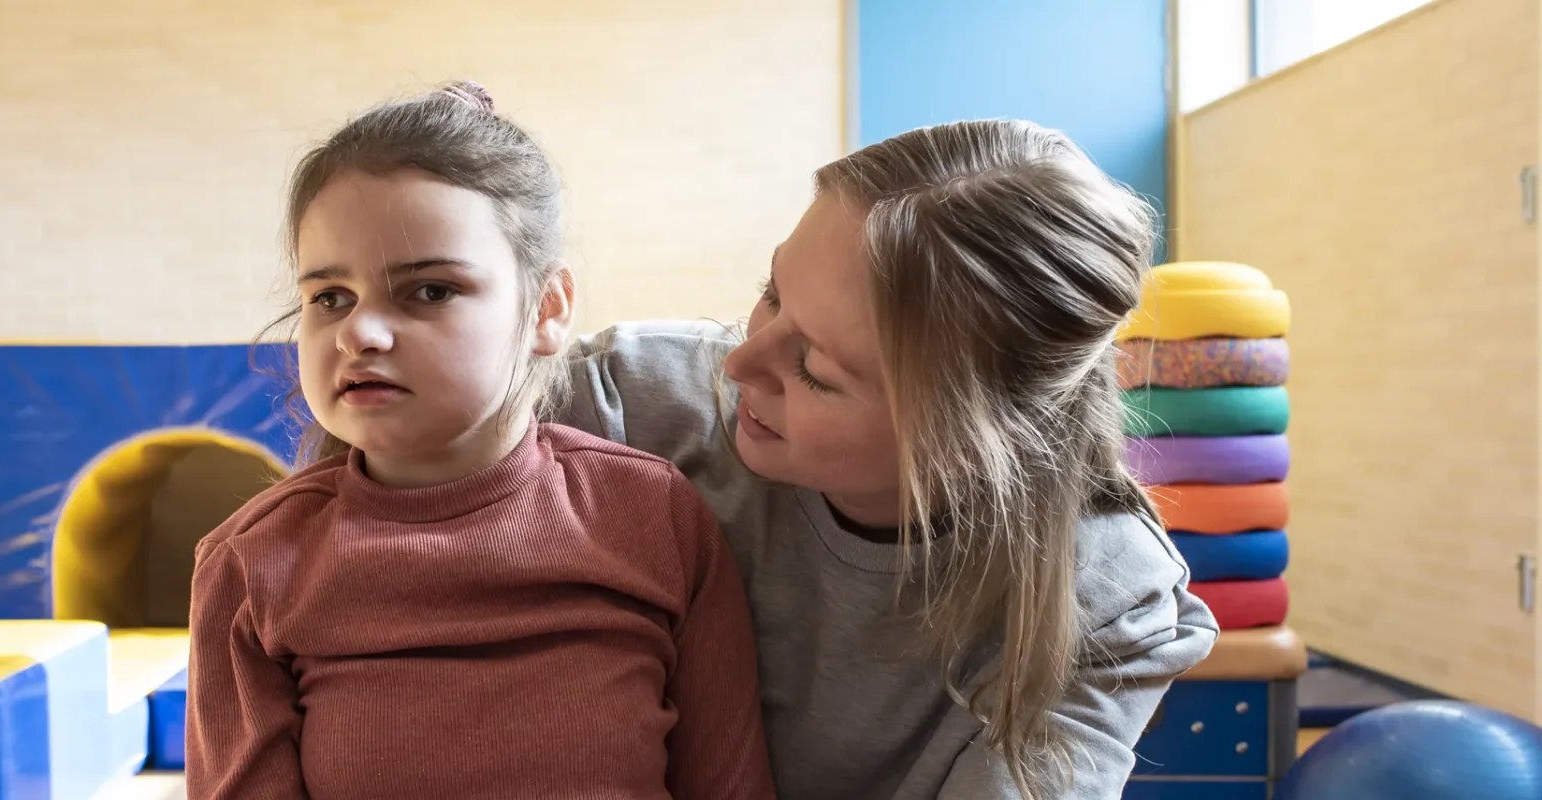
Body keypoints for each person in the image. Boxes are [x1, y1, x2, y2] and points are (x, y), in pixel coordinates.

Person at [556, 119, 1220, 799]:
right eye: (772, 292)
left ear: (972, 442)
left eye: (814, 371)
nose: (740, 363)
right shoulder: (625, 400)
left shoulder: (1105, 603)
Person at [184, 81, 776, 800]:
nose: (359, 332)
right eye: (330, 297)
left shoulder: (654, 515)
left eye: (430, 290)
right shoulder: (250, 564)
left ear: (547, 308)